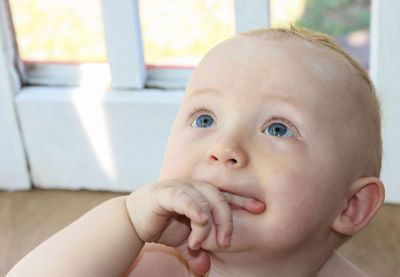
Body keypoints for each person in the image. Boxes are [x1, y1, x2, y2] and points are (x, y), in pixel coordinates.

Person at [7, 25, 385, 277]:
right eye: (205, 120)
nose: (224, 148)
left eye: (278, 128)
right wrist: (124, 219)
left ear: (350, 206)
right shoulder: (154, 262)